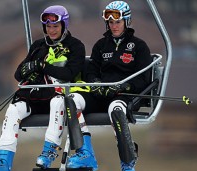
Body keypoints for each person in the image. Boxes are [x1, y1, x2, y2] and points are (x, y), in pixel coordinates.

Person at [0, 5, 86, 171]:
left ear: (64, 26)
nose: (51, 30)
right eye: (48, 26)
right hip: (37, 97)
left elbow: (70, 73)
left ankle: (48, 153)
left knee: (57, 103)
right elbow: (18, 74)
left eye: (55, 26)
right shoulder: (38, 46)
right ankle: (3, 161)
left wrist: (44, 66)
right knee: (14, 109)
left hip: (59, 97)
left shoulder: (75, 46)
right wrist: (28, 70)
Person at [67, 1, 153, 171]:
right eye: (111, 23)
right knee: (71, 100)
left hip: (123, 95)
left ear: (126, 22)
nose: (114, 26)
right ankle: (86, 154)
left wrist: (124, 87)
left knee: (116, 109)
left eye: (118, 22)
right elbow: (91, 72)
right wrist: (97, 84)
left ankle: (127, 163)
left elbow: (143, 79)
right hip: (102, 94)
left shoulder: (138, 46)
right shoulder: (101, 45)